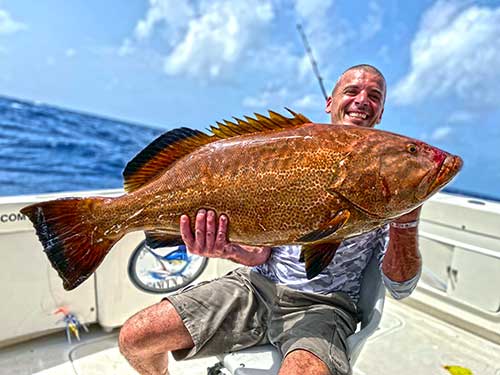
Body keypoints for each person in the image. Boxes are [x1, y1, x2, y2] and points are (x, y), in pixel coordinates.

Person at [118, 64, 422, 375]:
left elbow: (400, 288)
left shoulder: (390, 194)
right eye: (351, 91)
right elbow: (261, 254)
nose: (362, 100)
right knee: (135, 337)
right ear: (330, 102)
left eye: (374, 96)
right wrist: (229, 249)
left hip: (323, 307)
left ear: (381, 112)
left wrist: (406, 221)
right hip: (254, 287)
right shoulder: (291, 144)